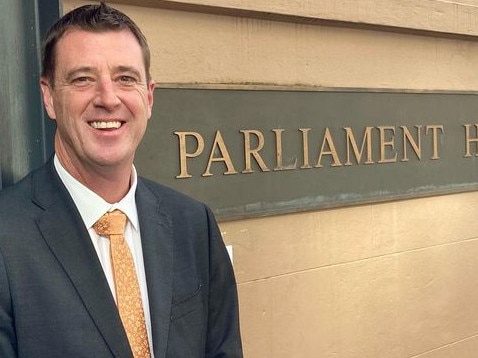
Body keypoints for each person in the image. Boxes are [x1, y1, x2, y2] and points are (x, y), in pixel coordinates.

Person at [0, 3, 242, 358]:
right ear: (49, 97)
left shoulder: (193, 225)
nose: (108, 98)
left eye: (125, 78)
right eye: (83, 78)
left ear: (148, 96)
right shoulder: (7, 236)